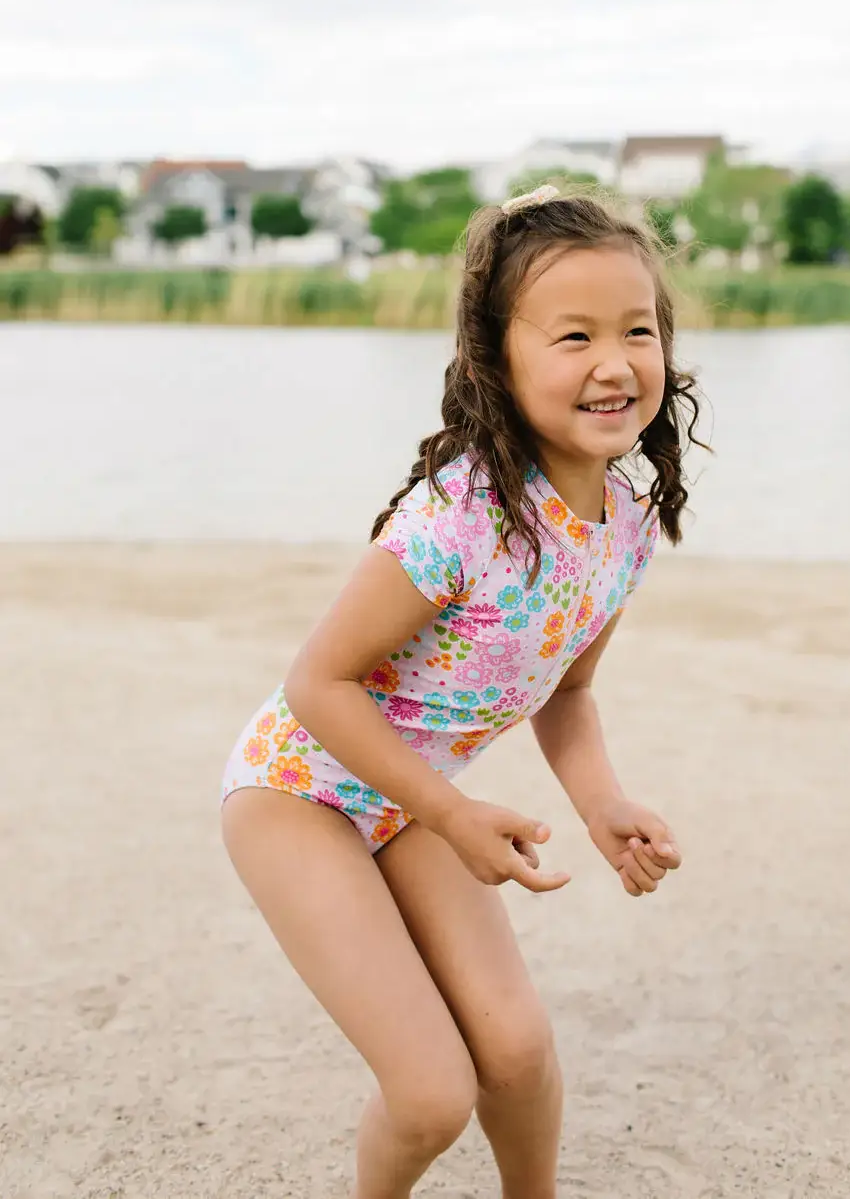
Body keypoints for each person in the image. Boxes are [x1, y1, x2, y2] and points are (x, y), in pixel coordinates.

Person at [221, 185, 703, 1199]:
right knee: (432, 1090)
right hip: (298, 791)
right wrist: (445, 806)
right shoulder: (459, 516)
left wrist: (602, 803)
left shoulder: (622, 522)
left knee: (517, 1051)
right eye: (572, 336)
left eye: (637, 330)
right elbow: (320, 681)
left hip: (417, 799)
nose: (614, 362)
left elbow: (567, 692)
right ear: (497, 358)